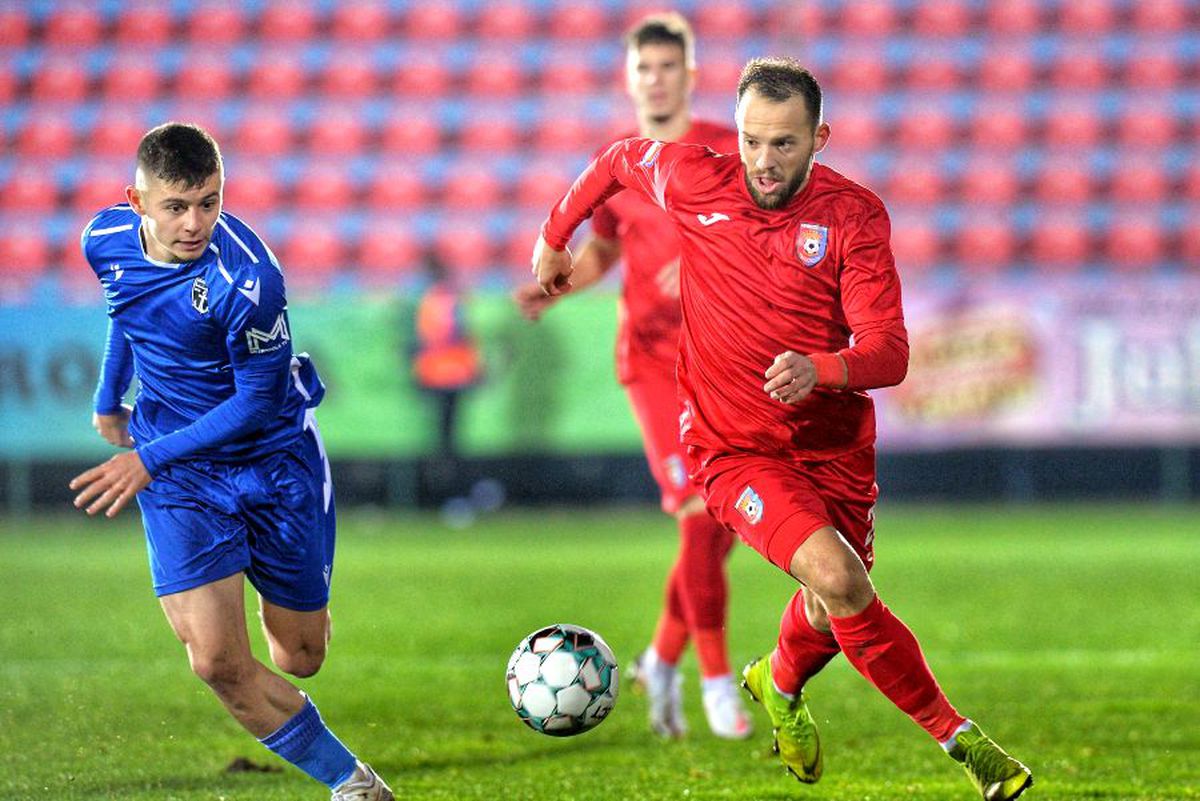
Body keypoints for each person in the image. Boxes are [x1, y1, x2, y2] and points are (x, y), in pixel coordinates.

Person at [532, 59, 1034, 800]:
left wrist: (821, 369)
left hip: (833, 446)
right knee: (838, 578)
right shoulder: (694, 178)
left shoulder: (853, 217)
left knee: (834, 604)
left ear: (819, 137)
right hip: (732, 446)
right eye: (751, 141)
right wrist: (553, 237)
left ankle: (778, 682)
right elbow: (615, 161)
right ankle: (963, 742)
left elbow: (889, 352)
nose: (764, 162)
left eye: (784, 145)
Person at [68, 123, 394, 801]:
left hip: (271, 461)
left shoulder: (248, 278)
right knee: (216, 660)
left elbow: (255, 403)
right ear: (137, 201)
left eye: (210, 203)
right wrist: (108, 397)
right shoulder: (103, 240)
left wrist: (145, 458)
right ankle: (354, 784)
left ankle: (270, 575)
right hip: (184, 478)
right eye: (177, 206)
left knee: (300, 656)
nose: (195, 223)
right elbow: (125, 308)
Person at [513, 12, 750, 740]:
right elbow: (607, 253)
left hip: (722, 363)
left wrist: (712, 264)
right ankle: (715, 683)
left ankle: (660, 660)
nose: (655, 79)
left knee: (718, 532)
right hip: (651, 363)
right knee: (699, 514)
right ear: (629, 78)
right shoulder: (616, 162)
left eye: (668, 67)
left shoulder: (726, 149)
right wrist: (558, 285)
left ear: (690, 73)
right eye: (643, 68)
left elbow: (757, 233)